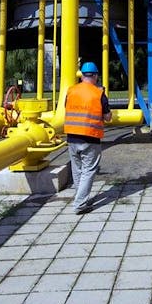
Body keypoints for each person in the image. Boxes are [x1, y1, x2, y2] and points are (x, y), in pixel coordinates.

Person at [63, 61, 112, 214]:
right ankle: (80, 204)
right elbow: (107, 117)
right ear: (96, 76)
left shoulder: (71, 91)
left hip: (72, 137)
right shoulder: (99, 94)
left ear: (82, 76)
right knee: (88, 171)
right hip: (90, 137)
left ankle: (80, 197)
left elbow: (66, 107)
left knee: (77, 170)